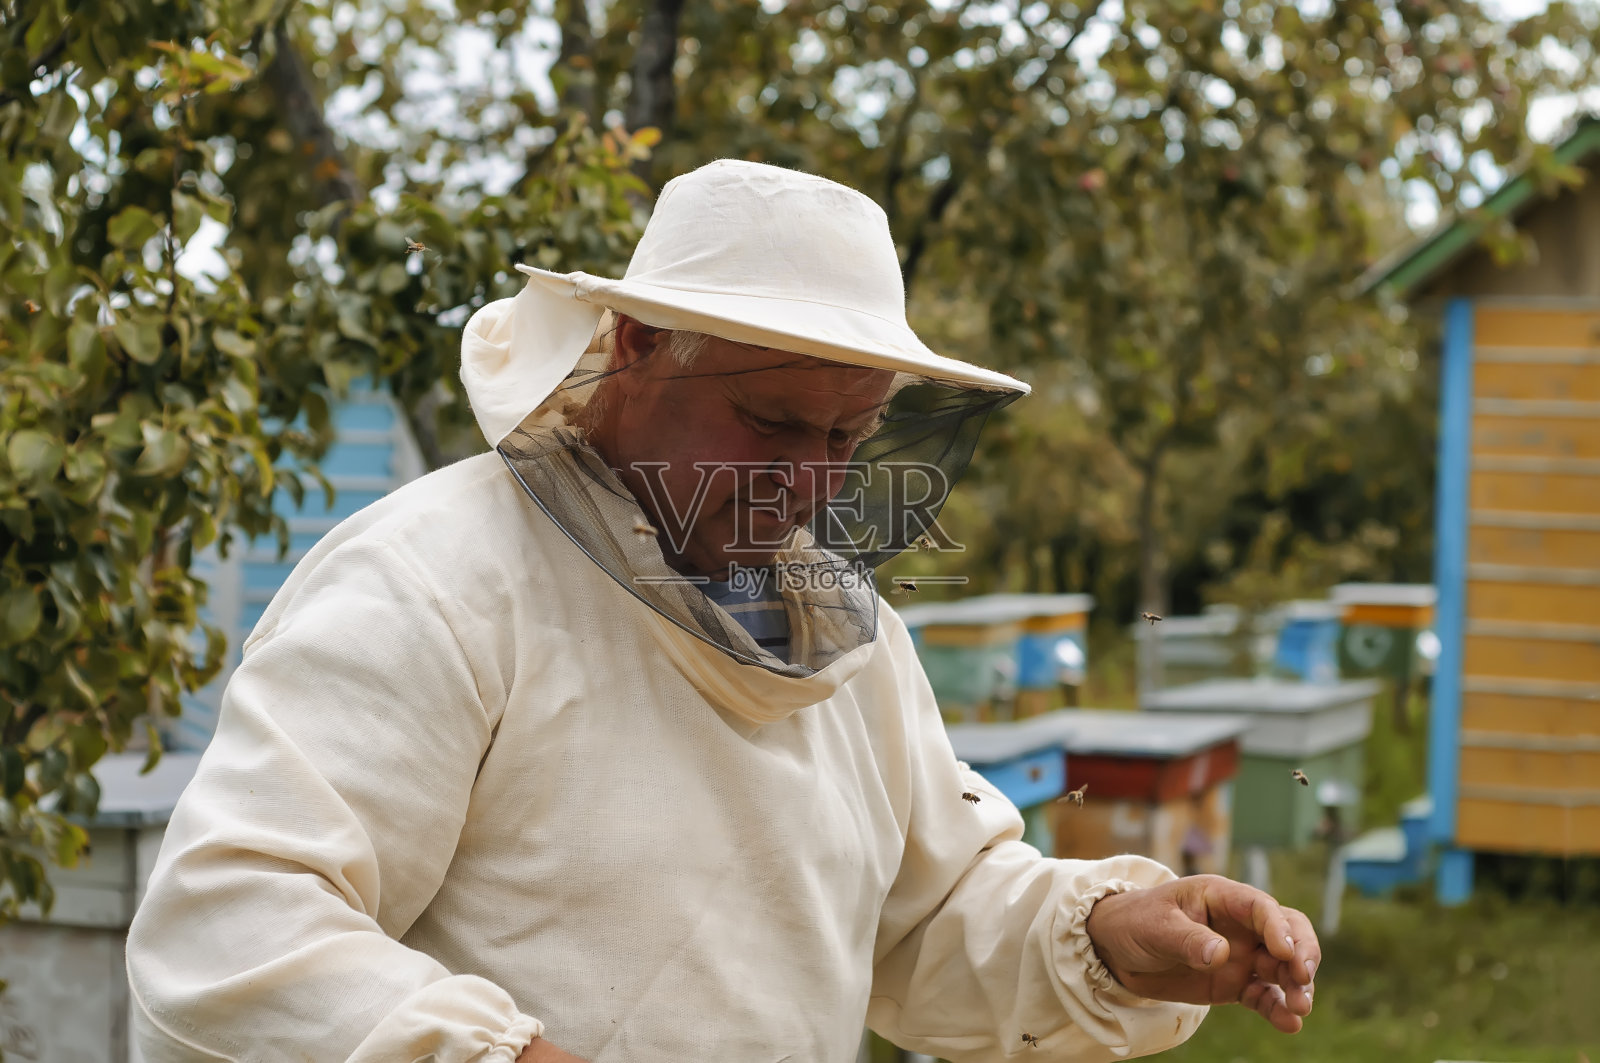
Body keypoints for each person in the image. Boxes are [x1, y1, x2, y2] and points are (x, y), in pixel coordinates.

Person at [126, 160, 1317, 1063]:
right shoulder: (433, 579)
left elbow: (927, 918)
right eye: (774, 425)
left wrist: (1111, 931)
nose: (812, 482)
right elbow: (233, 918)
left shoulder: (840, 628)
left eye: (849, 438)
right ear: (637, 344)